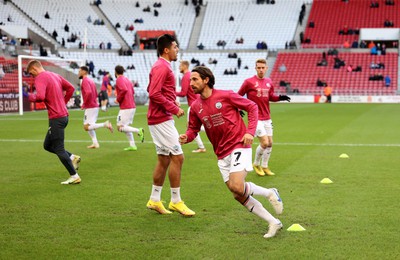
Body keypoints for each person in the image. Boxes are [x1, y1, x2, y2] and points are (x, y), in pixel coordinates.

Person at [179, 66, 283, 238]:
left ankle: (270, 192)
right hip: (221, 153)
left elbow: (252, 107)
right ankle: (273, 222)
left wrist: (250, 131)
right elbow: (193, 129)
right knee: (238, 194)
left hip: (238, 145)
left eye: (195, 79)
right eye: (190, 80)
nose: (191, 83)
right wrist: (186, 137)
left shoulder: (225, 95)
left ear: (206, 80)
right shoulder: (195, 106)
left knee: (236, 185)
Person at [146, 34, 195, 216]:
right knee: (178, 157)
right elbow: (153, 93)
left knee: (165, 158)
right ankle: (176, 201)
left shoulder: (162, 66)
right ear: (166, 50)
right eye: (175, 47)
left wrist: (172, 99)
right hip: (161, 118)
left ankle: (154, 199)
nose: (177, 50)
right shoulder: (161, 67)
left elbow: (153, 90)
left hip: (159, 117)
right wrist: (173, 108)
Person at [26, 60, 81, 185]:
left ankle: (74, 175)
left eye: (31, 73)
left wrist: (30, 97)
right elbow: (71, 88)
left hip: (56, 118)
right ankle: (73, 157)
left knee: (59, 148)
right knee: (47, 145)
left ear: (35, 69)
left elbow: (40, 97)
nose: (32, 76)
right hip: (64, 116)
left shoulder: (40, 77)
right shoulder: (54, 75)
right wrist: (63, 102)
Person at [238, 59, 290, 177]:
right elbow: (238, 96)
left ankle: (265, 166)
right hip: (255, 117)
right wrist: (238, 109)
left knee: (270, 143)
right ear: (255, 68)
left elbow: (270, 96)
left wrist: (280, 98)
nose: (261, 70)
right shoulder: (248, 82)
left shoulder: (269, 81)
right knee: (265, 142)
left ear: (266, 68)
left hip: (267, 117)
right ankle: (256, 163)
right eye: (259, 68)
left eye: (263, 68)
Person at [79, 66, 113, 149]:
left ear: (84, 71)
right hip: (94, 105)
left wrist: (84, 103)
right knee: (89, 125)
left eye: (79, 71)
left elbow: (88, 92)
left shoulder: (85, 81)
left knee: (86, 126)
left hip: (90, 106)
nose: (78, 73)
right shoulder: (91, 80)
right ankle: (95, 143)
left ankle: (105, 124)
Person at [176, 60, 206, 153]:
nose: (179, 67)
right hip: (198, 103)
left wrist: (171, 93)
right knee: (191, 126)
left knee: (192, 127)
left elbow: (183, 93)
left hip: (193, 105)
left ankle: (202, 146)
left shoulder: (186, 76)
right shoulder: (191, 75)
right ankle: (201, 147)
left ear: (185, 66)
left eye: (180, 65)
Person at [114, 65, 144, 151]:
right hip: (131, 105)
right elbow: (132, 91)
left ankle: (138, 131)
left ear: (115, 72)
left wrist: (118, 99)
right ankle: (132, 145)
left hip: (126, 107)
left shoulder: (119, 79)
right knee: (125, 126)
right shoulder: (127, 80)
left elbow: (124, 90)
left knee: (120, 127)